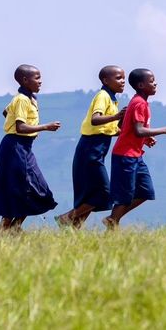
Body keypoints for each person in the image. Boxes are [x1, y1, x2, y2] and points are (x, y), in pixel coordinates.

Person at [102, 68, 166, 230]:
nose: (155, 83)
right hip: (125, 156)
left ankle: (113, 219)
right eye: (151, 81)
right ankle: (113, 223)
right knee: (124, 195)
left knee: (145, 192)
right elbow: (138, 130)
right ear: (141, 85)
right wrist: (165, 130)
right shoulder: (138, 103)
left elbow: (125, 126)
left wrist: (145, 139)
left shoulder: (140, 102)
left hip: (136, 155)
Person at [0, 65, 60, 232]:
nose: (40, 81)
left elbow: (6, 112)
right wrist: (45, 127)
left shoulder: (29, 98)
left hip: (23, 147)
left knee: (33, 188)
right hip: (15, 146)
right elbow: (20, 127)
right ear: (24, 80)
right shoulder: (21, 99)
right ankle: (7, 228)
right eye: (36, 78)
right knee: (19, 187)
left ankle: (12, 227)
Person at [56, 66, 125, 229]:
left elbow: (110, 130)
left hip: (99, 149)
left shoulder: (113, 99)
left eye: (123, 78)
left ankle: (74, 227)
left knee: (92, 193)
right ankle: (66, 217)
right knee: (103, 192)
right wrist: (117, 116)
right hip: (90, 148)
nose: (122, 81)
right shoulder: (103, 96)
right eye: (118, 78)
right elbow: (95, 120)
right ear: (105, 81)